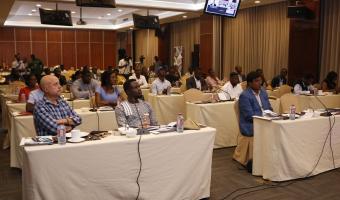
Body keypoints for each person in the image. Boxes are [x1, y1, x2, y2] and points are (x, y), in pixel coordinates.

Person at [233, 71, 273, 169]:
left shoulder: (263, 92)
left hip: (265, 120)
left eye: (260, 81)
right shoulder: (245, 96)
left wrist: (272, 114)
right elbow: (249, 116)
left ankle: (272, 157)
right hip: (251, 124)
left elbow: (269, 108)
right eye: (256, 81)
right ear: (250, 83)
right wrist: (265, 115)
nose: (260, 83)